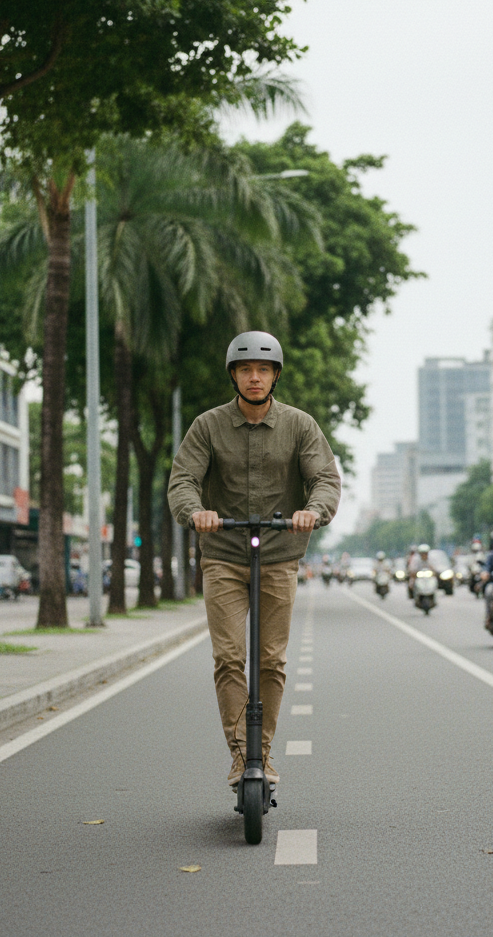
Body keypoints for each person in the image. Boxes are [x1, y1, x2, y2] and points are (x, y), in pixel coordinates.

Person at [168, 331, 341, 791]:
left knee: (271, 660)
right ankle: (240, 756)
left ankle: (261, 753)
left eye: (263, 369)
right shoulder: (207, 426)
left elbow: (324, 477)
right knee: (228, 658)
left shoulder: (300, 426)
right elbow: (183, 480)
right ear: (234, 375)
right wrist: (195, 512)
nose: (254, 377)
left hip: (279, 556)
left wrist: (313, 511)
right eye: (245, 369)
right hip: (223, 555)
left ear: (276, 375)